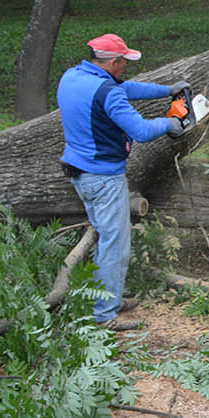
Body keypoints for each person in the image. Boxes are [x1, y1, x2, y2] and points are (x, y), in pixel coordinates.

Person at [57, 33, 192, 330]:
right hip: (104, 178)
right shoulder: (108, 93)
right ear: (114, 61)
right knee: (115, 244)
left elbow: (124, 88)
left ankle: (106, 296)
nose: (125, 68)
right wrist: (171, 123)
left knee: (105, 238)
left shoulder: (74, 77)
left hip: (80, 174)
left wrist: (166, 90)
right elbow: (142, 131)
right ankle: (105, 313)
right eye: (123, 63)